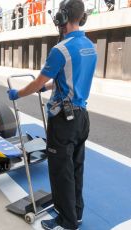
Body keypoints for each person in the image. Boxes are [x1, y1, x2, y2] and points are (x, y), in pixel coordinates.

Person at [8, 0, 96, 229]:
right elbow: (67, 79)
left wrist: (18, 93)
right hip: (82, 117)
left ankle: (66, 221)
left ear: (62, 17)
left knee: (60, 171)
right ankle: (76, 213)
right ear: (82, 18)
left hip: (63, 121)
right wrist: (47, 88)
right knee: (76, 168)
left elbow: (39, 80)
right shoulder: (90, 45)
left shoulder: (61, 49)